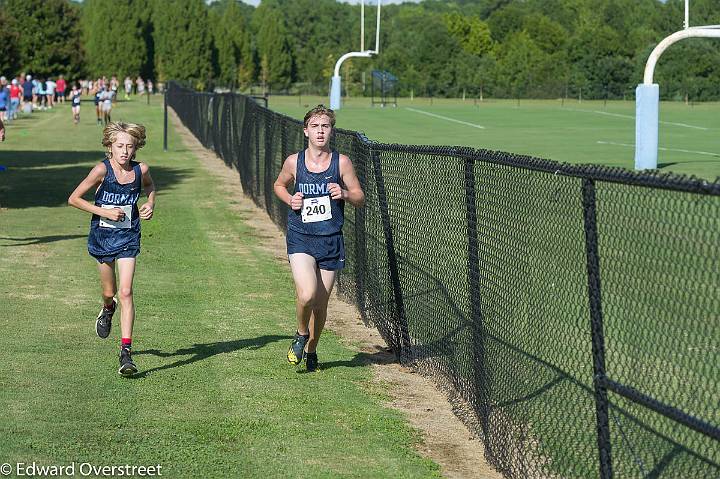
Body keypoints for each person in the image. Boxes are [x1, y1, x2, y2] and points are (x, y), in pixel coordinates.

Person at [273, 105, 365, 372]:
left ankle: (312, 349)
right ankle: (301, 334)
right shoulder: (294, 161)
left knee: (321, 305)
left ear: (331, 131)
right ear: (306, 131)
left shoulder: (342, 162)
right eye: (315, 126)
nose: (320, 131)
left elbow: (360, 196)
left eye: (325, 126)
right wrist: (291, 199)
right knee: (307, 293)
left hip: (330, 239)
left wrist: (345, 194)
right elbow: (279, 185)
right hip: (301, 236)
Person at [68, 122, 156, 376]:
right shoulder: (101, 170)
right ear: (110, 146)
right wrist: (103, 211)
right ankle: (108, 308)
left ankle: (126, 353)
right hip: (103, 237)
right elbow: (74, 198)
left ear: (136, 147)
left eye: (130, 146)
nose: (125, 151)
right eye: (120, 146)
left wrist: (150, 203)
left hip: (129, 236)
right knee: (111, 292)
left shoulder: (141, 170)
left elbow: (150, 187)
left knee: (126, 292)